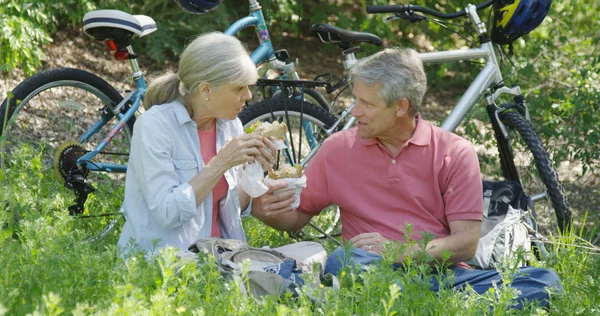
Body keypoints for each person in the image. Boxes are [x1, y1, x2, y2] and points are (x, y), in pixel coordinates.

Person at [252, 48, 563, 309]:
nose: (354, 112)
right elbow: (295, 219)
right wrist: (264, 208)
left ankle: (414, 304)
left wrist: (396, 251)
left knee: (546, 282)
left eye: (366, 104)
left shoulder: (455, 152)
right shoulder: (337, 149)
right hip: (370, 270)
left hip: (442, 274)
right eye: (355, 100)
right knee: (344, 262)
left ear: (401, 106)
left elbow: (465, 244)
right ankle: (440, 307)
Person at [117, 32, 277, 255]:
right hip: (166, 264)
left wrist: (256, 170)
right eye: (239, 88)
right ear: (206, 90)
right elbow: (167, 213)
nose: (248, 95)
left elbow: (231, 207)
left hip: (219, 259)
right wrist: (220, 163)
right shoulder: (154, 126)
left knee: (307, 256)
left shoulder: (231, 125)